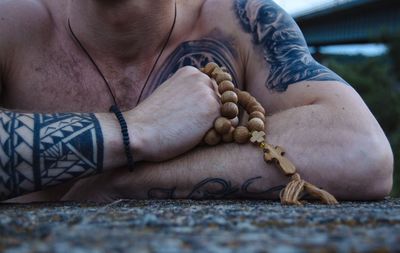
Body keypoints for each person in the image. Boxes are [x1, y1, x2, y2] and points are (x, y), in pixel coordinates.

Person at [0, 0, 393, 203]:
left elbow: (363, 151)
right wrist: (138, 130)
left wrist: (124, 181)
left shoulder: (241, 20)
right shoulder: (11, 22)